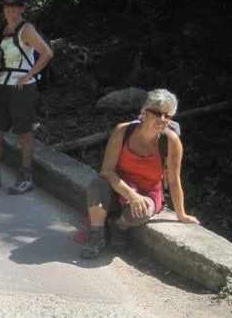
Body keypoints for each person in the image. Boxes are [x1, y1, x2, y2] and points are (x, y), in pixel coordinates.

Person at [81, 88, 199, 259]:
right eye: (157, 113)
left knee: (141, 211)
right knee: (97, 185)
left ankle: (118, 227)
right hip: (118, 189)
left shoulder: (171, 141)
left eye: (168, 116)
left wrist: (181, 214)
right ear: (143, 112)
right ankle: (97, 234)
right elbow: (106, 171)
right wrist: (131, 195)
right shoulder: (123, 131)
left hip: (148, 193)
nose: (162, 119)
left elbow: (174, 180)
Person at [0, 0, 53, 194]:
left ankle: (26, 175)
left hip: (22, 88)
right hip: (3, 84)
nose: (10, 9)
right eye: (7, 5)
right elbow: (4, 56)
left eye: (15, 5)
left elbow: (47, 53)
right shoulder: (4, 28)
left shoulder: (26, 29)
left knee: (23, 133)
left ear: (22, 8)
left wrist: (29, 75)